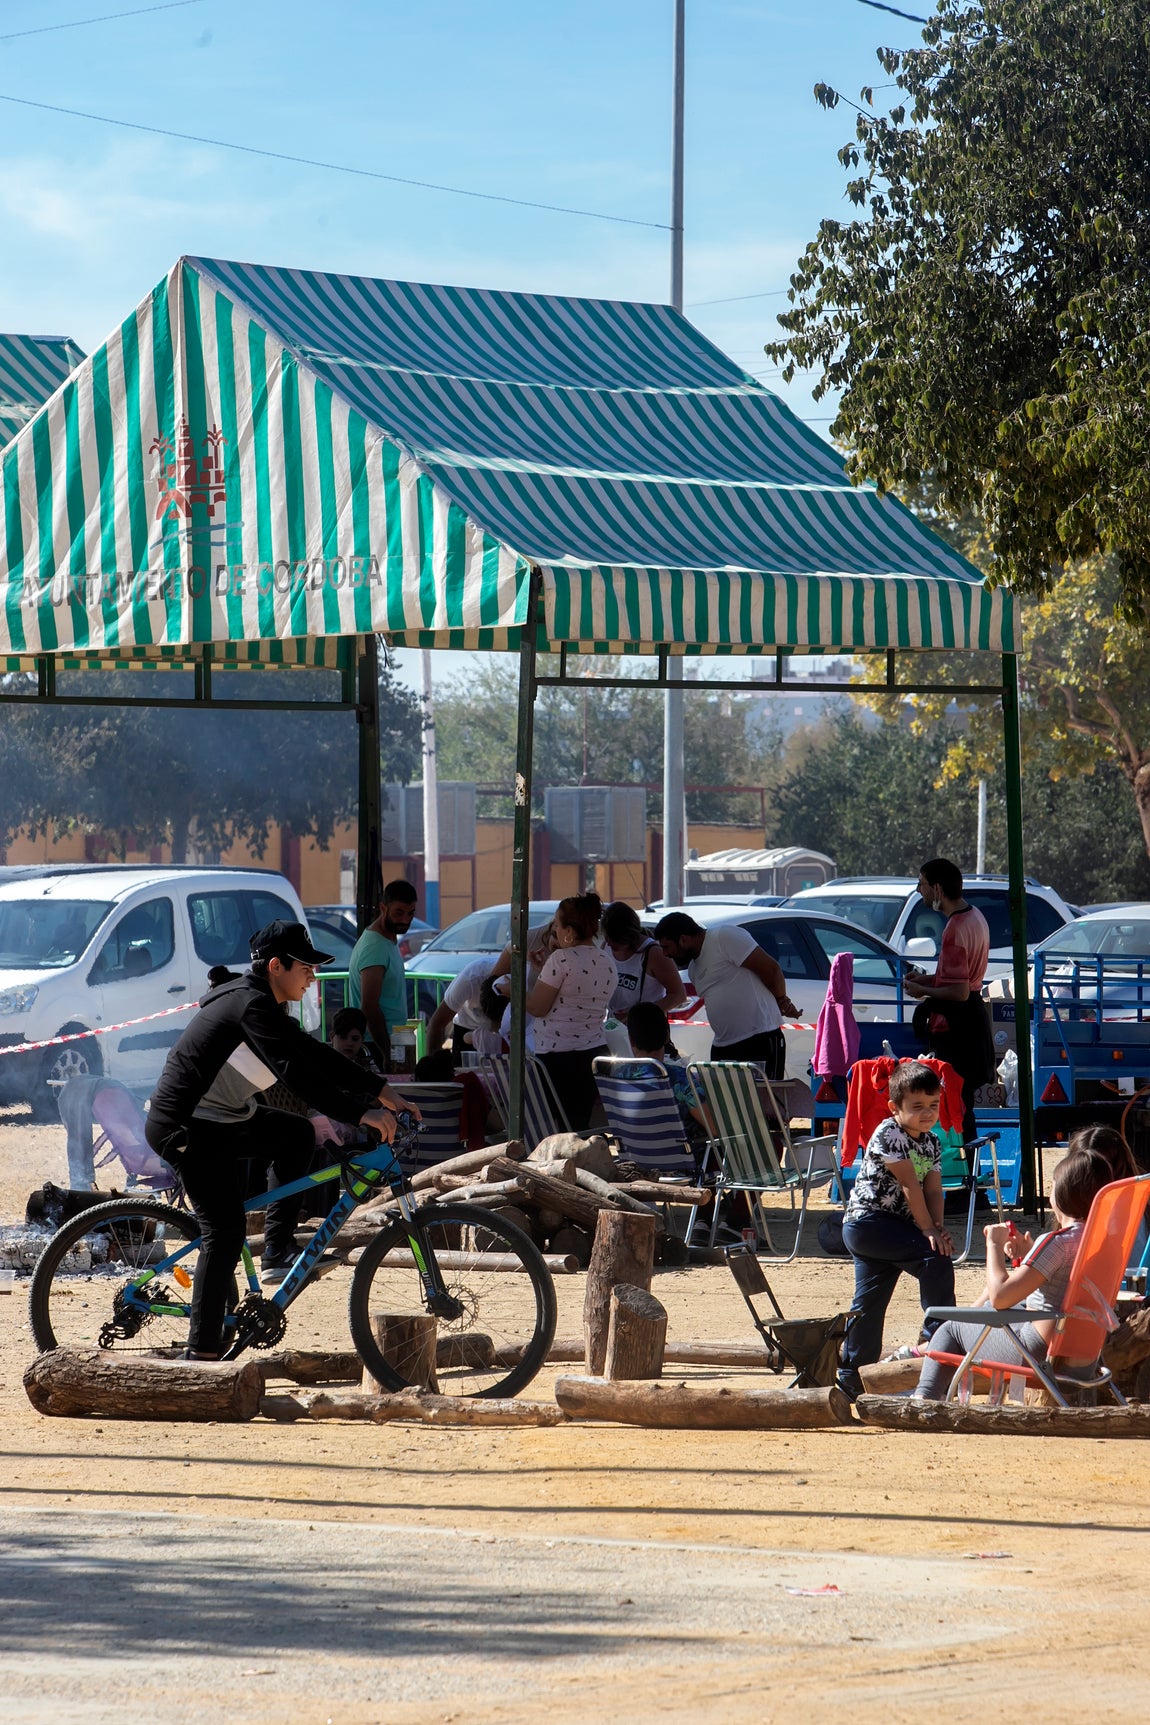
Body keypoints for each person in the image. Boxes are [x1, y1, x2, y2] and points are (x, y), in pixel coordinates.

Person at [145, 919, 409, 1360]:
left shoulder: (264, 1005)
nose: (313, 975)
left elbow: (315, 1054)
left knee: (296, 1135)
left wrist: (378, 1087)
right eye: (305, 966)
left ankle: (277, 1251)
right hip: (186, 1127)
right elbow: (296, 1072)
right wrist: (360, 1111)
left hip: (223, 1119)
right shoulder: (249, 1005)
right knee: (225, 1234)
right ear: (275, 966)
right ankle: (202, 1353)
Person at [914, 1143, 1115, 1400]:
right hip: (1084, 1352)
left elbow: (1000, 1297)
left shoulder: (1059, 1242)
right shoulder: (1103, 1240)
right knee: (985, 1313)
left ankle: (924, 1398)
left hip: (1036, 1352)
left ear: (1062, 1194)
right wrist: (1032, 1254)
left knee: (951, 1328)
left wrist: (994, 1245)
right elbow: (1065, 1280)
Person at [835, 1060, 956, 1400]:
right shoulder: (889, 1133)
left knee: (869, 1304)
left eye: (933, 1105)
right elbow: (909, 1187)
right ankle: (936, 1339)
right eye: (917, 1107)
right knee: (935, 1260)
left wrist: (939, 1228)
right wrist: (928, 1233)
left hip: (893, 1227)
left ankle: (851, 1378)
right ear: (894, 1108)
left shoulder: (932, 1142)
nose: (927, 1113)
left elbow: (933, 1189)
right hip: (868, 1223)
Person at [904, 858, 994, 1142]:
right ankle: (969, 1179)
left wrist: (924, 991)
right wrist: (927, 980)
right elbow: (959, 978)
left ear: (938, 889)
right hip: (974, 1020)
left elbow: (959, 991)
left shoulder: (955, 928)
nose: (920, 891)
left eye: (922, 884)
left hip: (960, 1031)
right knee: (962, 1107)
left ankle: (963, 1180)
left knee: (957, 1110)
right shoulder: (975, 916)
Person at [654, 912, 800, 1079]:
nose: (665, 954)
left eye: (666, 947)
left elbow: (771, 970)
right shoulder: (694, 969)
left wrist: (782, 1000)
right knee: (726, 1102)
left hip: (759, 1039)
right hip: (723, 1046)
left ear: (683, 939)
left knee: (763, 1101)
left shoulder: (723, 937)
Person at [526, 893, 617, 1130]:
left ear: (568, 930)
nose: (554, 930)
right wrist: (542, 971)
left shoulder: (560, 959)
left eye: (557, 925)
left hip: (559, 1059)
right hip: (594, 1054)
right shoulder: (606, 959)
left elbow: (538, 1007)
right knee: (579, 1127)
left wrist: (511, 991)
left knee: (559, 1131)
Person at [347, 880, 419, 1069]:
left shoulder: (386, 941)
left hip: (390, 1042)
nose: (405, 919)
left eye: (410, 913)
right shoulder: (375, 947)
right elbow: (369, 1007)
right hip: (378, 1045)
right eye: (399, 913)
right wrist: (388, 1053)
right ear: (383, 908)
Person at [624, 1000, 709, 1142]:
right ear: (667, 1036)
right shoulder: (679, 1078)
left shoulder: (618, 1077)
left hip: (637, 1158)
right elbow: (714, 1129)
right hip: (685, 1158)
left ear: (631, 1041)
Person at [602, 901, 686, 1021]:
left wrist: (639, 1016)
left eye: (614, 940)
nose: (609, 943)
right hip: (615, 1026)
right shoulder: (606, 947)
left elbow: (678, 995)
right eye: (606, 937)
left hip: (645, 1030)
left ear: (627, 935)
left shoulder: (653, 953)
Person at [425, 955, 499, 1062]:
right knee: (462, 1075)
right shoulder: (470, 978)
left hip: (503, 1033)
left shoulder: (524, 978)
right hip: (467, 1029)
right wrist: (434, 1069)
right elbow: (437, 1023)